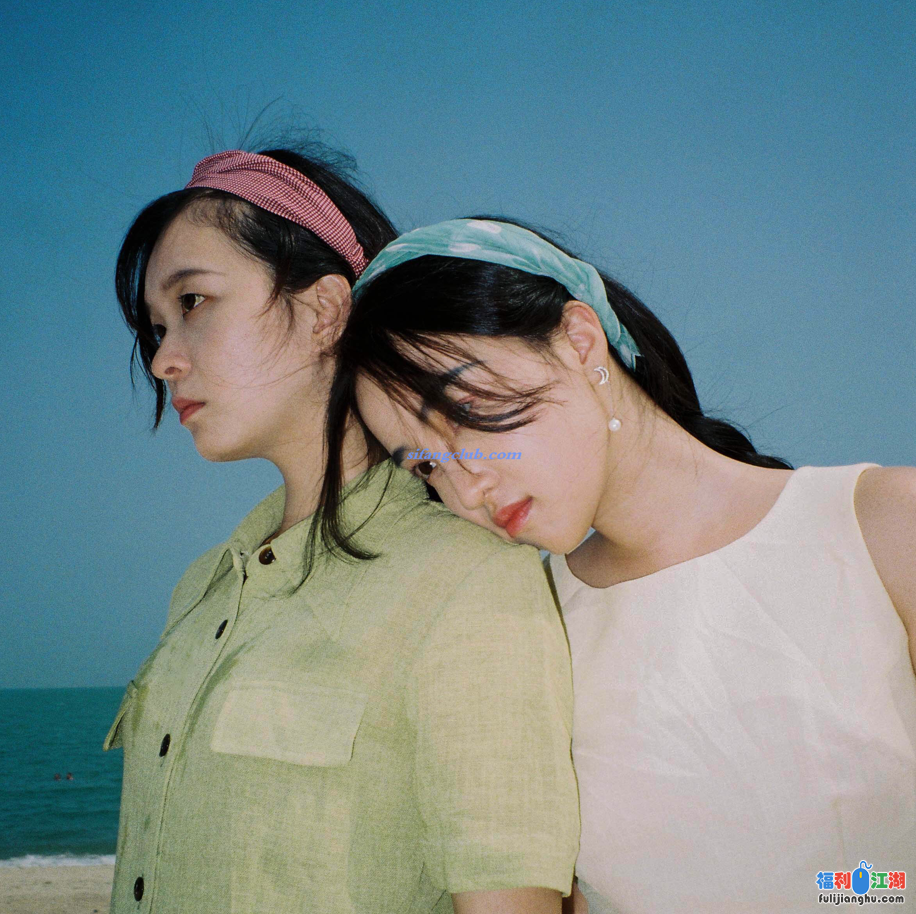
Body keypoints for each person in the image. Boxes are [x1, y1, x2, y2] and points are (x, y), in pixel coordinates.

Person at [326, 217, 916, 913]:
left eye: (465, 410)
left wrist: (860, 893)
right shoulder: (520, 629)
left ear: (580, 342)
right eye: (425, 467)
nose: (467, 488)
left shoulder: (883, 525)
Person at [105, 157, 579, 914]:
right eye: (157, 327)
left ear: (325, 310)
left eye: (194, 301)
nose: (164, 358)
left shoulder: (468, 579)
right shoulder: (201, 588)